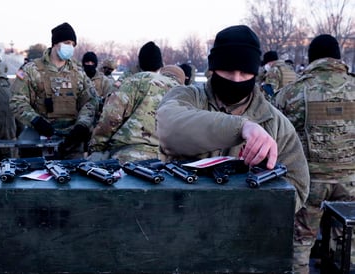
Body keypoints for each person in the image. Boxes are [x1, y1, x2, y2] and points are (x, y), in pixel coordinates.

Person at [156, 25, 310, 271]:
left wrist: (246, 214)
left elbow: (297, 187)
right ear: (213, 67)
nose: (236, 80)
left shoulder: (275, 122)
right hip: (180, 234)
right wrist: (241, 128)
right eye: (228, 70)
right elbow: (169, 127)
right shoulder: (186, 97)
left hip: (244, 242)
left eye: (245, 72)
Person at [273, 34, 355, 273]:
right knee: (348, 243)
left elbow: (278, 134)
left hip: (310, 181)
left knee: (301, 241)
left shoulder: (293, 92)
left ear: (311, 58)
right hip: (351, 181)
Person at [10, 22, 99, 159]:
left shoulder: (78, 72)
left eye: (73, 44)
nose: (70, 47)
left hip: (72, 141)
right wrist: (35, 121)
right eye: (67, 42)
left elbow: (91, 101)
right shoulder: (31, 70)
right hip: (40, 139)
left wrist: (81, 126)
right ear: (55, 43)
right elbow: (17, 100)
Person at [88, 41, 181, 163]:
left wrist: (97, 148)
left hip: (130, 156)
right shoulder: (176, 87)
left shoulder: (131, 83)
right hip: (168, 159)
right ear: (161, 64)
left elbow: (110, 118)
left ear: (140, 63)